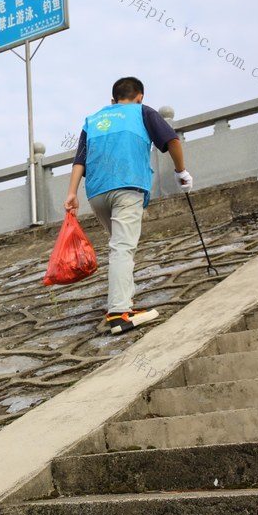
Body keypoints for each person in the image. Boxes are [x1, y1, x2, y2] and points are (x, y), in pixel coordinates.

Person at [64, 76, 191, 334]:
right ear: (140, 96)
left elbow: (80, 160)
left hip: (96, 194)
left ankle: (125, 301)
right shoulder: (142, 111)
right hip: (127, 187)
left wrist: (71, 193)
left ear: (112, 101)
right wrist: (181, 171)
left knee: (120, 246)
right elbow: (172, 141)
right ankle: (119, 312)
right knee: (123, 247)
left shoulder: (93, 121)